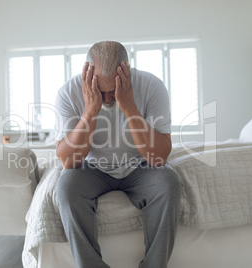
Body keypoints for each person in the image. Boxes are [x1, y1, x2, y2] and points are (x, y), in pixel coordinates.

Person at [54, 41, 182, 268]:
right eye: (100, 91)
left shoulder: (152, 86)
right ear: (88, 73)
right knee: (66, 187)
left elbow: (159, 157)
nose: (107, 98)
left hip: (140, 165)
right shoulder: (68, 92)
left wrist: (130, 107)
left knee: (168, 182)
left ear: (127, 71)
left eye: (112, 90)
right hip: (90, 167)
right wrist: (90, 110)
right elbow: (68, 160)